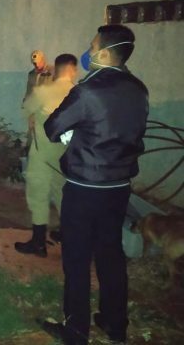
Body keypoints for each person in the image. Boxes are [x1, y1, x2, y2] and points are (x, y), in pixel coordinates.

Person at [41, 25, 148, 345]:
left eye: (92, 46)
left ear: (104, 53)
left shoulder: (87, 90)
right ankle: (115, 324)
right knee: (110, 254)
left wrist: (71, 131)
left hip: (85, 187)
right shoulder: (138, 89)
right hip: (119, 186)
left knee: (76, 258)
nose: (88, 52)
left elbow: (52, 127)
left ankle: (76, 331)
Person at [14, 54, 78, 257]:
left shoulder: (43, 92)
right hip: (67, 155)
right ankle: (68, 236)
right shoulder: (79, 93)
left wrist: (33, 116)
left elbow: (25, 110)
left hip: (42, 152)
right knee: (63, 194)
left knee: (38, 196)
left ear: (55, 69)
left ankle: (38, 242)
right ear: (74, 70)